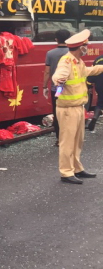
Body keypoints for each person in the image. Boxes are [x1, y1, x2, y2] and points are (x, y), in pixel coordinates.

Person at [52, 29, 103, 184]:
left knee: (77, 141)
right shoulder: (66, 61)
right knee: (67, 142)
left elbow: (87, 71)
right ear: (81, 47)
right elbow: (58, 75)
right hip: (68, 109)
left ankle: (77, 168)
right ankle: (66, 172)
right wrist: (58, 80)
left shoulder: (77, 62)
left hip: (78, 108)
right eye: (86, 45)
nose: (87, 48)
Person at [43, 29, 71, 145]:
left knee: (57, 112)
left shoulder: (50, 53)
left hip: (58, 89)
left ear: (56, 39)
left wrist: (44, 86)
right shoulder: (72, 53)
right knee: (70, 113)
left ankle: (60, 139)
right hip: (71, 90)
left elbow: (47, 72)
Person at [86, 52, 103, 133]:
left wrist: (89, 85)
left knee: (99, 103)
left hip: (100, 85)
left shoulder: (98, 59)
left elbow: (92, 73)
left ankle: (94, 119)